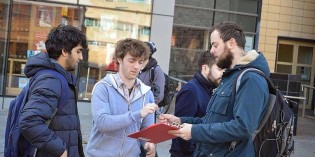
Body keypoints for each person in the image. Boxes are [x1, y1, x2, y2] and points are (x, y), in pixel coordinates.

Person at [160, 22, 270, 156]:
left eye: (215, 45)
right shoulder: (231, 77)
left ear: (231, 43)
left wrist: (194, 132)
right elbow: (210, 121)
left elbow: (243, 128)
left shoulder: (251, 79)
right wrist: (180, 121)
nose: (211, 51)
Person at [19, 25, 87, 157]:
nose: (81, 57)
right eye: (78, 51)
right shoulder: (51, 80)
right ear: (64, 51)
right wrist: (60, 150)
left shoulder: (58, 77)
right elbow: (29, 122)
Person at [86, 38, 158, 157]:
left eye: (140, 62)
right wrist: (138, 114)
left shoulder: (146, 93)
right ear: (119, 59)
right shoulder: (103, 87)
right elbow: (103, 124)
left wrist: (150, 143)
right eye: (132, 60)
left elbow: (147, 131)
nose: (136, 66)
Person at [170, 51, 224, 157]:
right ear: (205, 68)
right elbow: (179, 129)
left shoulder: (211, 89)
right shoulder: (191, 90)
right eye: (219, 69)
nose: (223, 73)